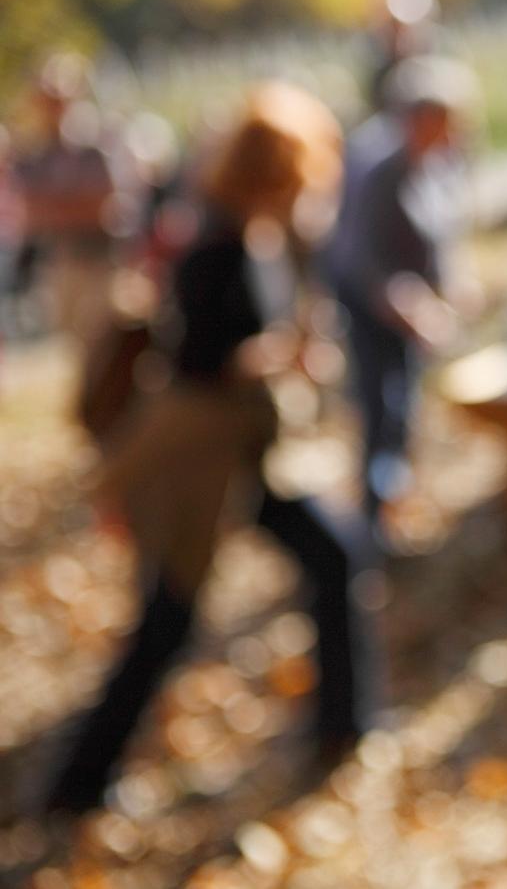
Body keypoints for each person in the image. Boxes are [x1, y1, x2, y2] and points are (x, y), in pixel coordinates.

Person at [45, 83, 377, 814]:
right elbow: (198, 361)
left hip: (250, 458)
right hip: (201, 469)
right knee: (169, 621)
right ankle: (75, 786)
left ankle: (343, 726)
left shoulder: (253, 234)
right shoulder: (215, 244)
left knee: (336, 554)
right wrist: (274, 357)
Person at [322, 55, 476, 525]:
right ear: (420, 119)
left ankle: (392, 497)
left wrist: (450, 283)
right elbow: (363, 260)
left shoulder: (433, 163)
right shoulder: (377, 170)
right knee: (380, 407)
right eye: (446, 123)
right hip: (370, 307)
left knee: (404, 405)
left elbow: (438, 234)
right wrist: (410, 308)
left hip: (407, 304)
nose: (454, 134)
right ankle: (372, 521)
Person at [11, 53, 124, 349]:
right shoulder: (35, 152)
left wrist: (56, 206)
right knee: (65, 343)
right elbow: (30, 211)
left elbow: (103, 206)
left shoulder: (93, 144)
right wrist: (68, 205)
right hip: (58, 260)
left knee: (99, 344)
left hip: (97, 261)